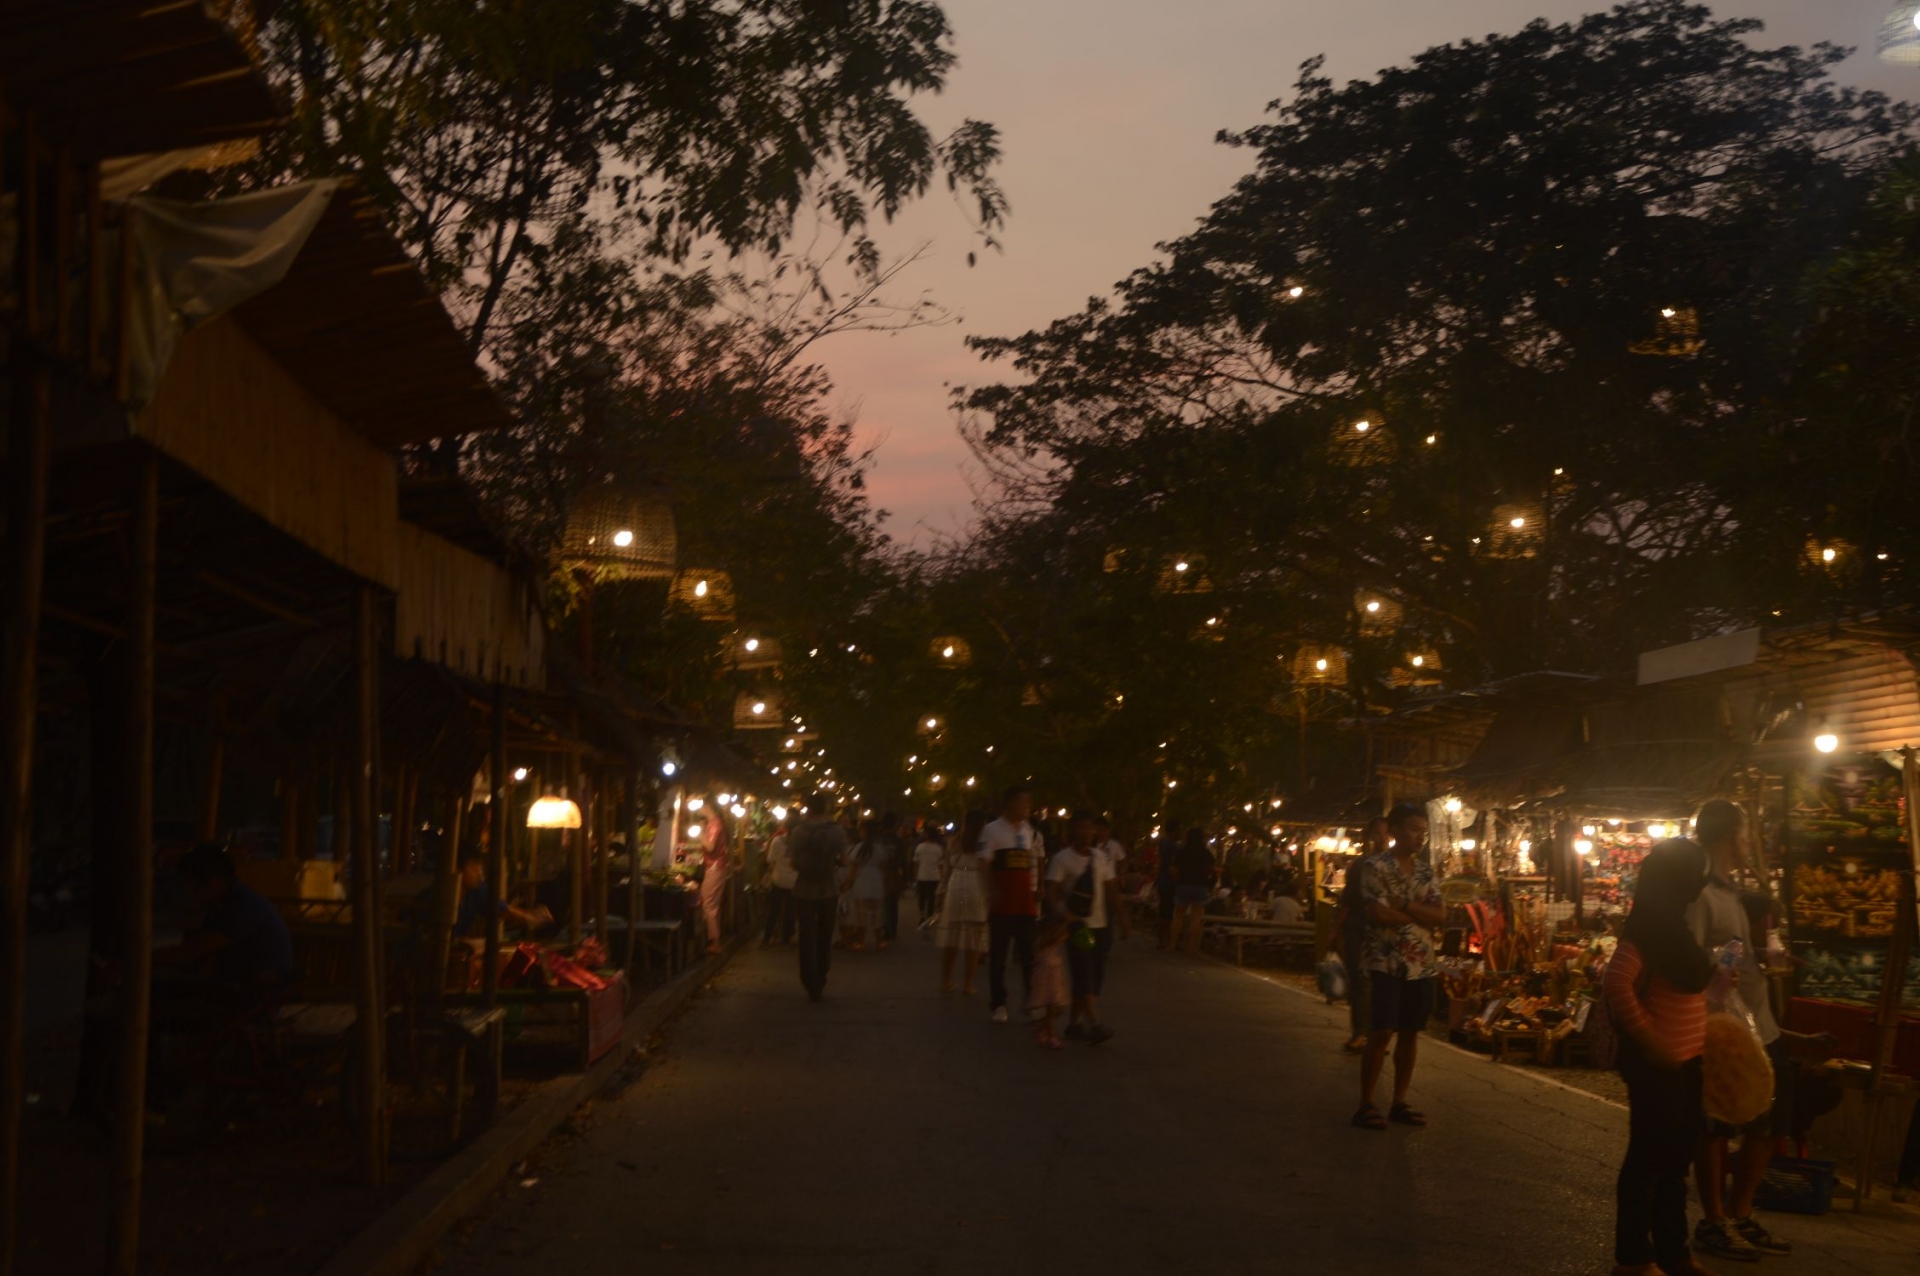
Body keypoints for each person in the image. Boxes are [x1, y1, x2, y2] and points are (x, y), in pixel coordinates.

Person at [1685, 800, 1798, 1261]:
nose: (1750, 839)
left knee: (1772, 1114)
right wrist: (1716, 977)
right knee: (1715, 1125)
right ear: (1731, 834)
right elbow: (1689, 956)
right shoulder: (1699, 891)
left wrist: (1759, 955)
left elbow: (1728, 947)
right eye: (1746, 830)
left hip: (1758, 1022)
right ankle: (1713, 1221)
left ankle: (1740, 1212)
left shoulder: (1731, 889)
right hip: (1720, 1028)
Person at [1606, 838, 1717, 1276]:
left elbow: (1691, 982)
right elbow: (1617, 983)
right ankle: (1632, 1259)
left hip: (1686, 1063)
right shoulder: (1649, 929)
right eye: (1694, 877)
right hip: (1654, 1067)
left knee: (1676, 1161)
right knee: (1648, 1161)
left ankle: (1674, 1253)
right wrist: (1650, 1040)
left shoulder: (1675, 928)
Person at [1353, 803, 1443, 1131]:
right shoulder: (1374, 867)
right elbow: (1378, 914)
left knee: (1410, 1032)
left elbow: (1440, 916)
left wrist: (1404, 905)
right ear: (1393, 830)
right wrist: (1419, 914)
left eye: (1423, 830)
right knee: (1382, 1031)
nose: (1420, 836)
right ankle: (1365, 1103)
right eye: (1414, 829)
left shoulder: (1425, 872)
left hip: (1420, 963)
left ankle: (1398, 1101)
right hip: (1386, 960)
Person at [1046, 812, 1128, 1045]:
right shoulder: (1062, 859)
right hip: (1079, 925)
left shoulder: (1101, 858)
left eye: (1089, 827)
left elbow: (1111, 888)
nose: (1085, 832)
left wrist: (1122, 918)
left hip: (1101, 924)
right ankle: (1094, 1022)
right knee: (1084, 971)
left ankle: (1074, 1023)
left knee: (1095, 974)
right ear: (1073, 830)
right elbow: (1051, 889)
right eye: (1080, 827)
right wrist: (1061, 912)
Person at [167, 845, 294, 992]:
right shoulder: (224, 902)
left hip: (255, 990)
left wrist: (147, 960)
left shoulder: (242, 905)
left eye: (191, 886)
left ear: (211, 880)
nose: (188, 892)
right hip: (243, 983)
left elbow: (195, 949)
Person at [1326, 818, 1389, 1052]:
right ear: (1371, 836)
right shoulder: (1361, 866)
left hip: (1383, 931)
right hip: (1358, 929)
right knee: (1360, 981)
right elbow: (1348, 902)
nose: (1382, 837)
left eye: (1385, 833)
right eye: (1378, 833)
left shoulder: (1395, 866)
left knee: (1379, 983)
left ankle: (1376, 1034)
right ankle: (1360, 1032)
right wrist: (1334, 930)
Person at [983, 785, 1044, 1024]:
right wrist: (992, 889)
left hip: (1025, 903)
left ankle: (1032, 1001)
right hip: (1002, 904)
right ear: (1009, 804)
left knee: (1029, 956)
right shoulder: (992, 831)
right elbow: (985, 863)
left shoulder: (1028, 831)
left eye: (1028, 803)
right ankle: (999, 1003)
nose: (1026, 808)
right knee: (999, 957)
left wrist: (1037, 887)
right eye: (1022, 803)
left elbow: (1032, 862)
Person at [788, 796, 850, 1002]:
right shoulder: (837, 831)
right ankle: (821, 974)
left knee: (806, 935)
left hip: (804, 889)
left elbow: (793, 862)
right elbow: (844, 860)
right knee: (825, 934)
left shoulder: (798, 832)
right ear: (825, 808)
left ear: (808, 809)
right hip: (828, 889)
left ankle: (808, 979)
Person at [937, 811, 991, 995]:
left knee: (952, 938)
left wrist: (941, 892)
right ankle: (968, 984)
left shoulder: (955, 841)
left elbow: (946, 870)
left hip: (956, 885)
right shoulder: (984, 842)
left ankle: (946, 980)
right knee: (973, 941)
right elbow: (986, 869)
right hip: (977, 886)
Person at [454, 851, 551, 937]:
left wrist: (531, 918)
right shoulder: (443, 893)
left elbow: (501, 908)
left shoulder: (477, 890)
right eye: (473, 868)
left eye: (480, 867)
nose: (479, 873)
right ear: (458, 869)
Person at [843, 818, 890, 950]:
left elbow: (853, 869)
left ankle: (861, 941)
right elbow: (884, 868)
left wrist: (847, 883)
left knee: (860, 915)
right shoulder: (879, 848)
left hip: (861, 884)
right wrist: (886, 883)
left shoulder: (858, 848)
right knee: (877, 914)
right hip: (876, 883)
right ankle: (880, 941)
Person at [1167, 827, 1215, 955]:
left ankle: (1172, 944)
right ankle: (1191, 948)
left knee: (1178, 916)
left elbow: (1172, 868)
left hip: (1183, 884)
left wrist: (1178, 878)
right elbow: (1212, 869)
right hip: (1200, 886)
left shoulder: (1182, 852)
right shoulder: (1206, 853)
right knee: (1196, 917)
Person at [1029, 913, 1072, 1050]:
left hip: (1054, 976)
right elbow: (1053, 939)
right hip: (1046, 978)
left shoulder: (1053, 944)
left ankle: (1043, 1028)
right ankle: (1052, 1036)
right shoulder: (1043, 942)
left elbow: (1062, 936)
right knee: (1051, 1006)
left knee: (1057, 1009)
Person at [761, 822, 797, 946]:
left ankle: (767, 937)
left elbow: (769, 859)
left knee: (773, 910)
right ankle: (786, 938)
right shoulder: (801, 843)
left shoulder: (777, 840)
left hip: (778, 879)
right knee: (791, 910)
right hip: (794, 881)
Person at [1155, 820, 1183, 948]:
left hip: (1162, 879)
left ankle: (1161, 938)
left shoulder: (1162, 843)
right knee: (1168, 910)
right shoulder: (1173, 846)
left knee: (1163, 910)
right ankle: (1166, 939)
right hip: (1169, 881)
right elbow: (1171, 867)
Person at [912, 825, 945, 921]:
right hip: (934, 877)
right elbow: (941, 865)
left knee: (921, 897)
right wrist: (942, 876)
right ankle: (929, 917)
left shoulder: (920, 847)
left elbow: (916, 863)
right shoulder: (938, 848)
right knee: (931, 898)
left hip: (922, 875)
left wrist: (915, 875)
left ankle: (922, 914)